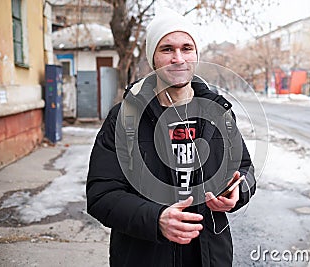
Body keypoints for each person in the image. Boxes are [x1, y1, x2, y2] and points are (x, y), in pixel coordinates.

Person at [86, 8, 256, 267]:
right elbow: (101, 194)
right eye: (167, 49)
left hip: (210, 257)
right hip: (143, 257)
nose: (179, 58)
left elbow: (244, 169)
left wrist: (237, 192)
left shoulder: (218, 113)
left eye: (187, 48)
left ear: (196, 54)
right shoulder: (124, 118)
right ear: (153, 58)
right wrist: (155, 219)